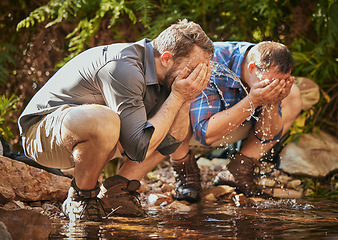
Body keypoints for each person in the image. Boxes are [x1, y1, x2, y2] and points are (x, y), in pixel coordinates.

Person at [18, 19, 214, 222]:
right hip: (43, 134)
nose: (197, 76)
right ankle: (81, 197)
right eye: (193, 69)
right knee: (106, 120)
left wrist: (186, 99)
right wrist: (178, 97)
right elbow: (138, 147)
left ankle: (118, 191)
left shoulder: (169, 78)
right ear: (166, 58)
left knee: (168, 123)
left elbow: (172, 141)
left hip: (92, 139)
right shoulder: (122, 66)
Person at [169, 41, 303, 202]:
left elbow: (265, 135)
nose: (274, 88)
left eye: (281, 82)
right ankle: (186, 173)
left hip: (233, 123)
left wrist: (273, 102)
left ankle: (239, 170)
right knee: (178, 101)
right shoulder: (210, 63)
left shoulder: (264, 61)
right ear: (252, 68)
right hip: (188, 129)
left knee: (293, 93)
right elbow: (205, 134)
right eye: (271, 83)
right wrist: (253, 100)